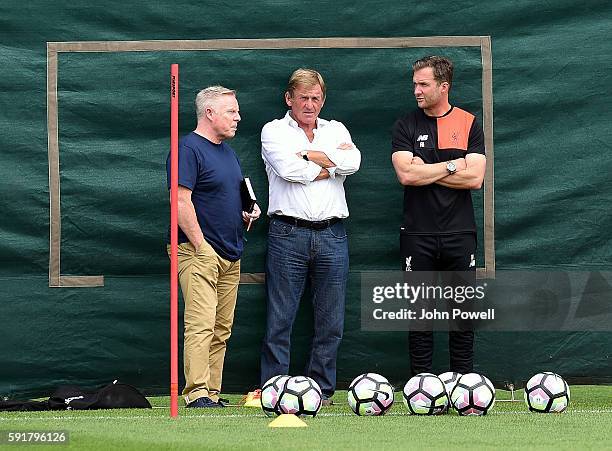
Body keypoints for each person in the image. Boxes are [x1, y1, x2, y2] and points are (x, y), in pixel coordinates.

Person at [260, 68, 361, 404]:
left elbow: (354, 161)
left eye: (316, 98)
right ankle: (275, 389)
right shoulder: (274, 131)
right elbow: (289, 171)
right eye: (303, 97)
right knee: (280, 318)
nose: (309, 104)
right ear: (289, 98)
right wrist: (332, 165)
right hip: (287, 233)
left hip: (333, 234)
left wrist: (309, 157)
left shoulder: (336, 129)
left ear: (323, 99)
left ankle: (321, 390)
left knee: (331, 320)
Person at [391, 56, 486, 376]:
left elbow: (475, 179)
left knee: (462, 317)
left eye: (423, 84)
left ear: (443, 87)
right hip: (417, 235)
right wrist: (452, 165)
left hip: (460, 234)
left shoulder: (468, 123)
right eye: (414, 84)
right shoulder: (406, 124)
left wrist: (424, 169)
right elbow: (406, 176)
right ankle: (422, 388)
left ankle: (464, 387)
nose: (416, 90)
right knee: (420, 317)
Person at [166, 86, 260, 408]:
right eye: (231, 111)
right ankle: (196, 393)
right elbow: (179, 202)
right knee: (201, 324)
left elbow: (225, 196)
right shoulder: (187, 149)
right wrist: (201, 246)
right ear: (209, 113)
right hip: (197, 252)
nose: (238, 117)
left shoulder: (227, 152)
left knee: (221, 329)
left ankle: (212, 392)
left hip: (230, 252)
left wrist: (246, 211)